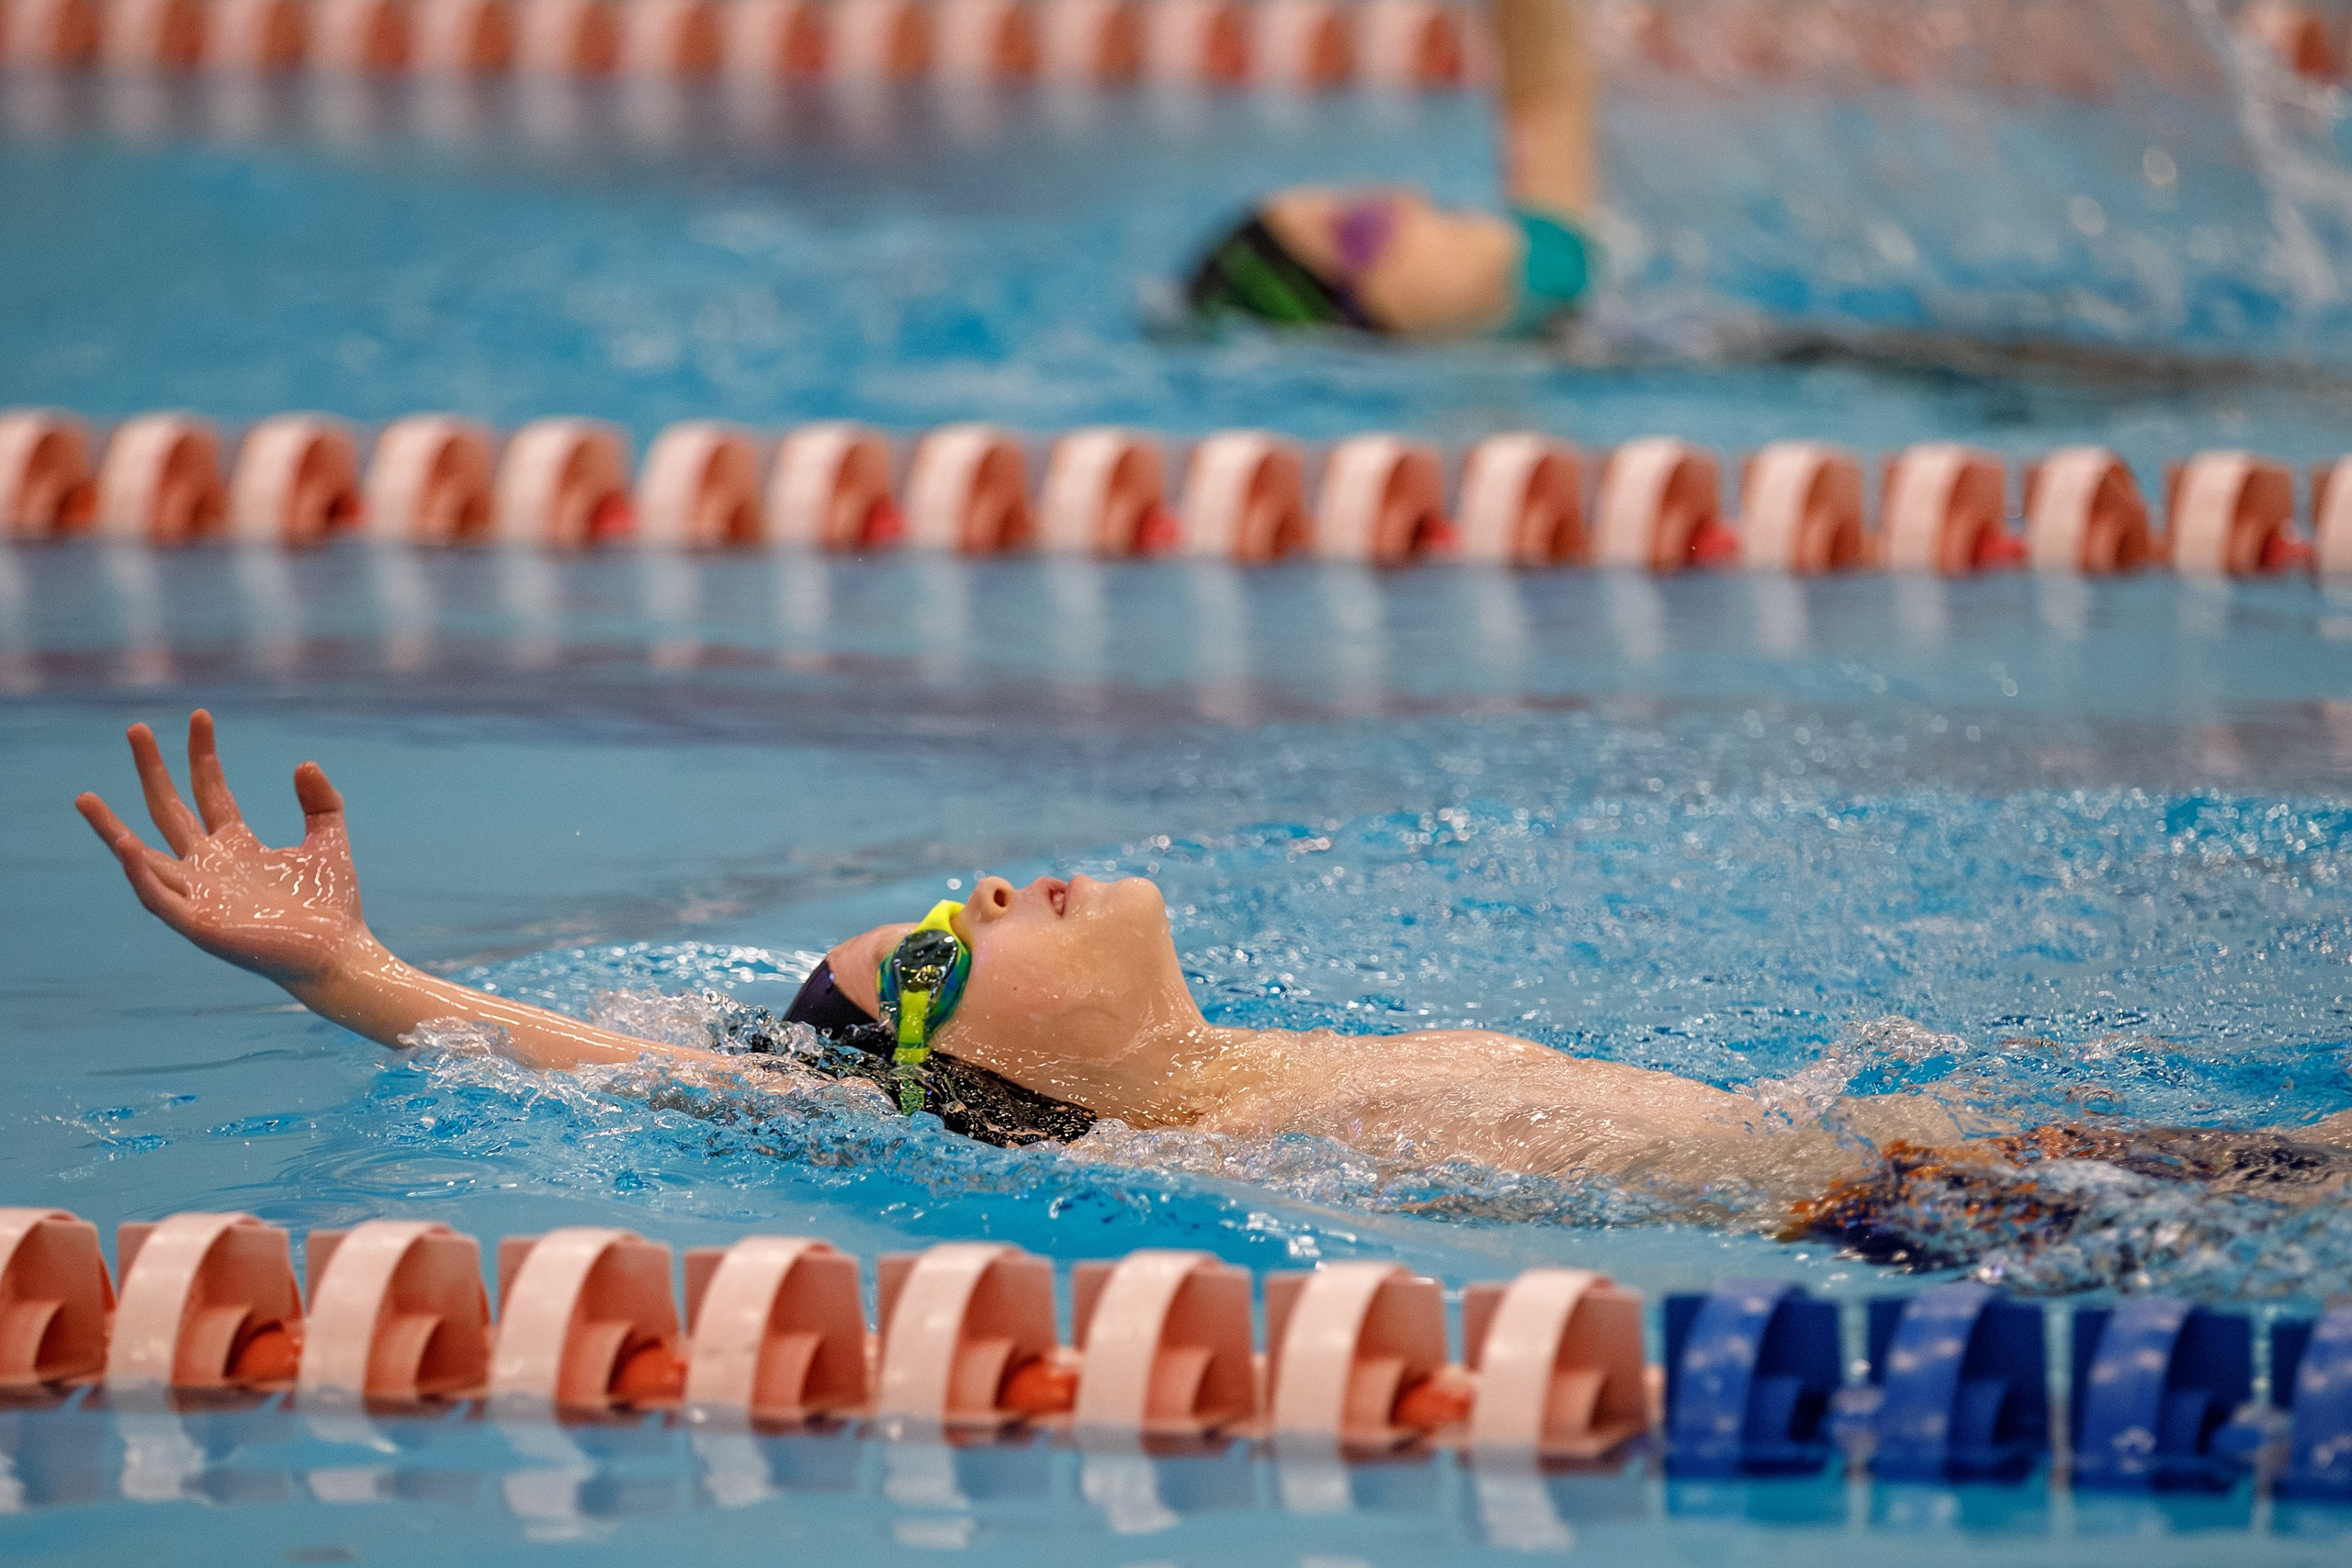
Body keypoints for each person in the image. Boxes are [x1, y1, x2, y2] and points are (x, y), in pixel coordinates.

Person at [75, 714, 2352, 1260]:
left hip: (1959, 1150)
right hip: (1947, 1222)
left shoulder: (1251, 1060)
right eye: (947, 939)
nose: (985, 879)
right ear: (986, 1082)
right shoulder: (1230, 1140)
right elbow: (689, 1089)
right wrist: (358, 974)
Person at [1185, 0, 1599, 338]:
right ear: (1349, 316)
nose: (1403, 196)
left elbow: (1546, 105)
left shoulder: (1547, 280)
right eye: (1362, 229)